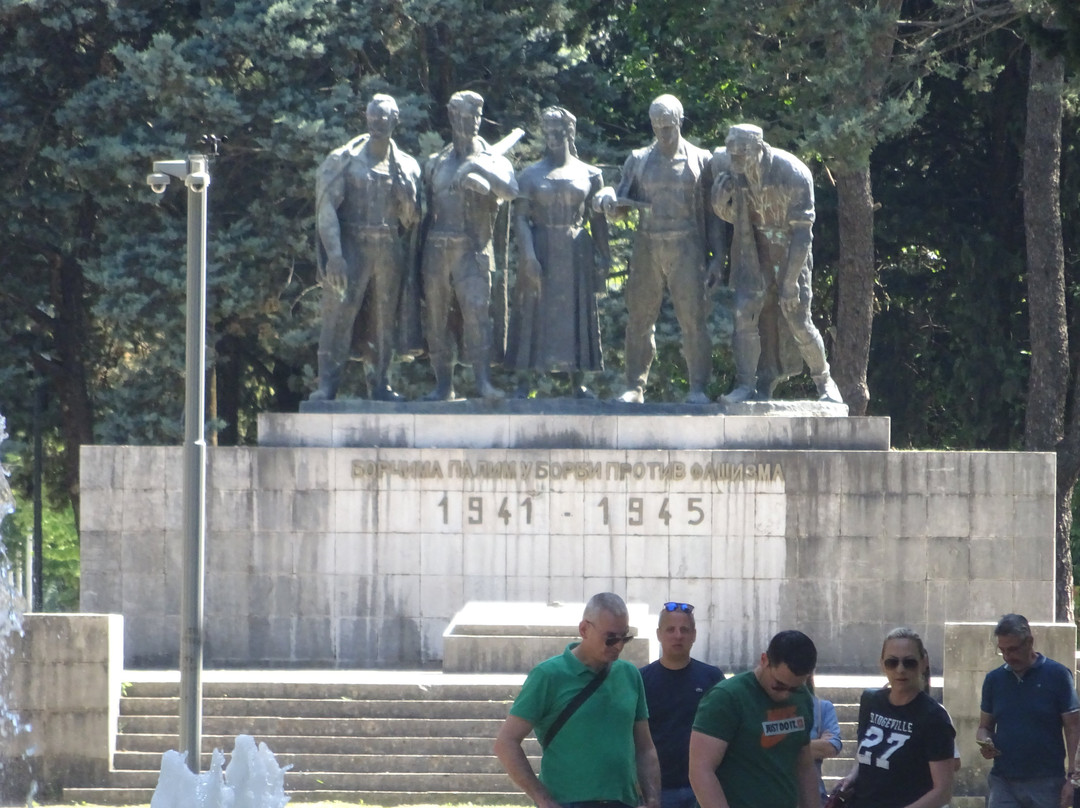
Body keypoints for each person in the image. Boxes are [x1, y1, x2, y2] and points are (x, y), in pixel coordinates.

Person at [594, 94, 723, 405]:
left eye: (668, 126)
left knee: (692, 320)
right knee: (639, 318)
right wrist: (611, 204)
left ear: (679, 122)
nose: (663, 133)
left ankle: (697, 389)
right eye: (657, 126)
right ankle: (634, 387)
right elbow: (623, 202)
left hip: (687, 245)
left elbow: (715, 214)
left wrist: (719, 256)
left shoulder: (701, 160)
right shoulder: (638, 160)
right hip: (648, 245)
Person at [710, 124, 842, 405]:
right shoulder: (732, 169)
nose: (735, 163)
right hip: (754, 251)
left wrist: (791, 281)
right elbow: (741, 218)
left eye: (741, 156)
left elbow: (803, 232)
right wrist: (720, 206)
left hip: (790, 253)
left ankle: (825, 382)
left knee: (797, 319)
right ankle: (746, 385)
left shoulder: (792, 173)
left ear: (758, 149)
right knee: (744, 312)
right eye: (731, 155)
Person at [494, 593, 661, 808]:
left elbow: (645, 748)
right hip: (567, 802)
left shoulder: (629, 674)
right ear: (584, 630)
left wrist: (654, 798)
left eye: (624, 638)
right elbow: (505, 743)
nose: (618, 646)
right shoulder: (548, 675)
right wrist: (543, 799)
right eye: (610, 638)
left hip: (623, 801)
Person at [312, 93, 422, 401]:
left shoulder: (408, 166)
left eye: (383, 120)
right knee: (338, 316)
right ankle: (327, 385)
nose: (376, 125)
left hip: (388, 249)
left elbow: (411, 220)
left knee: (385, 319)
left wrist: (406, 196)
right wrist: (334, 255)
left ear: (394, 122)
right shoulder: (343, 160)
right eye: (372, 119)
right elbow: (327, 209)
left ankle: (381, 384)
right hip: (351, 246)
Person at [506, 106, 611, 398]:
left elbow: (597, 219)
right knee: (532, 312)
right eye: (548, 131)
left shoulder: (590, 173)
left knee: (576, 313)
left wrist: (605, 254)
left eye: (558, 131)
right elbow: (520, 218)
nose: (552, 136)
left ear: (570, 132)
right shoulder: (530, 175)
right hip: (540, 247)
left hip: (576, 251)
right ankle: (524, 381)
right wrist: (528, 256)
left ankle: (578, 381)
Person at [421, 90, 518, 400]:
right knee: (436, 318)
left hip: (472, 251)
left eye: (477, 115)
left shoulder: (492, 158)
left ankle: (483, 382)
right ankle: (443, 385)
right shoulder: (436, 163)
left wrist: (477, 169)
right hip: (437, 250)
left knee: (477, 313)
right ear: (452, 116)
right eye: (466, 116)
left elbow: (510, 191)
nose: (473, 122)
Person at [689, 629, 820, 808]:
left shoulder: (802, 697)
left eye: (794, 688)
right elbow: (700, 770)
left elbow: (804, 766)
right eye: (779, 685)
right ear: (764, 660)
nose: (785, 695)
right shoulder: (726, 698)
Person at [839, 627, 955, 808]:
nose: (900, 670)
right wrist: (851, 777)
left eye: (909, 663)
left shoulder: (934, 717)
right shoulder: (870, 701)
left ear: (924, 663)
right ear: (882, 664)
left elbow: (943, 792)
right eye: (892, 662)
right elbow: (865, 755)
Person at [977, 613, 1080, 808]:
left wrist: (1072, 779)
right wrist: (985, 741)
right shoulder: (993, 680)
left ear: (1029, 642)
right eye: (1003, 651)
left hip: (1047, 781)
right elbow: (984, 726)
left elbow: (1074, 729)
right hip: (1003, 780)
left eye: (1013, 649)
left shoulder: (1057, 675)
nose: (1008, 656)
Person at [640, 602, 725, 808]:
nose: (678, 635)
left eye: (684, 630)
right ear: (659, 634)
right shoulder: (640, 680)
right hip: (658, 792)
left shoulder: (712, 678)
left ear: (694, 635)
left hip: (702, 789)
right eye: (671, 629)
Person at [806, 675, 842, 805]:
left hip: (814, 797)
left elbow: (832, 747)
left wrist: (780, 746)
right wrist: (815, 744)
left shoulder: (822, 708)